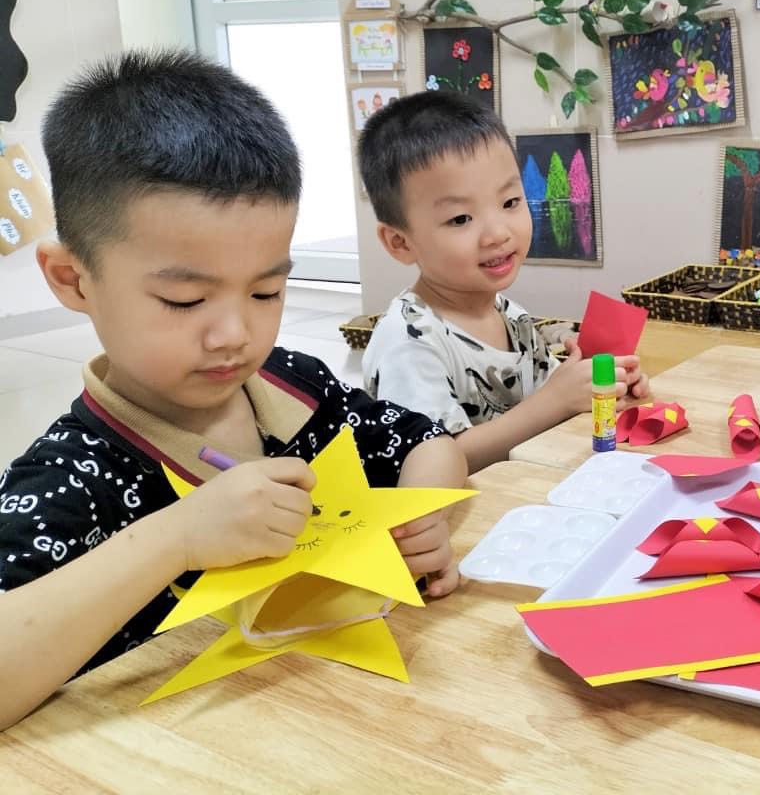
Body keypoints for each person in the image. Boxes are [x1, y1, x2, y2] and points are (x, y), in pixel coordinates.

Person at [0, 50, 467, 730]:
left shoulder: (295, 387)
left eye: (266, 291)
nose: (234, 335)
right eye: (185, 300)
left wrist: (421, 522)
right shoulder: (71, 478)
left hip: (348, 723)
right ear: (73, 279)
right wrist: (178, 538)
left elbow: (426, 441)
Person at [358, 89, 650, 473]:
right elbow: (430, 463)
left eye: (510, 202)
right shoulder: (408, 342)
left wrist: (601, 386)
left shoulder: (511, 316)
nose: (498, 233)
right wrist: (556, 401)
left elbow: (551, 406)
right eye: (460, 219)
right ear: (400, 242)